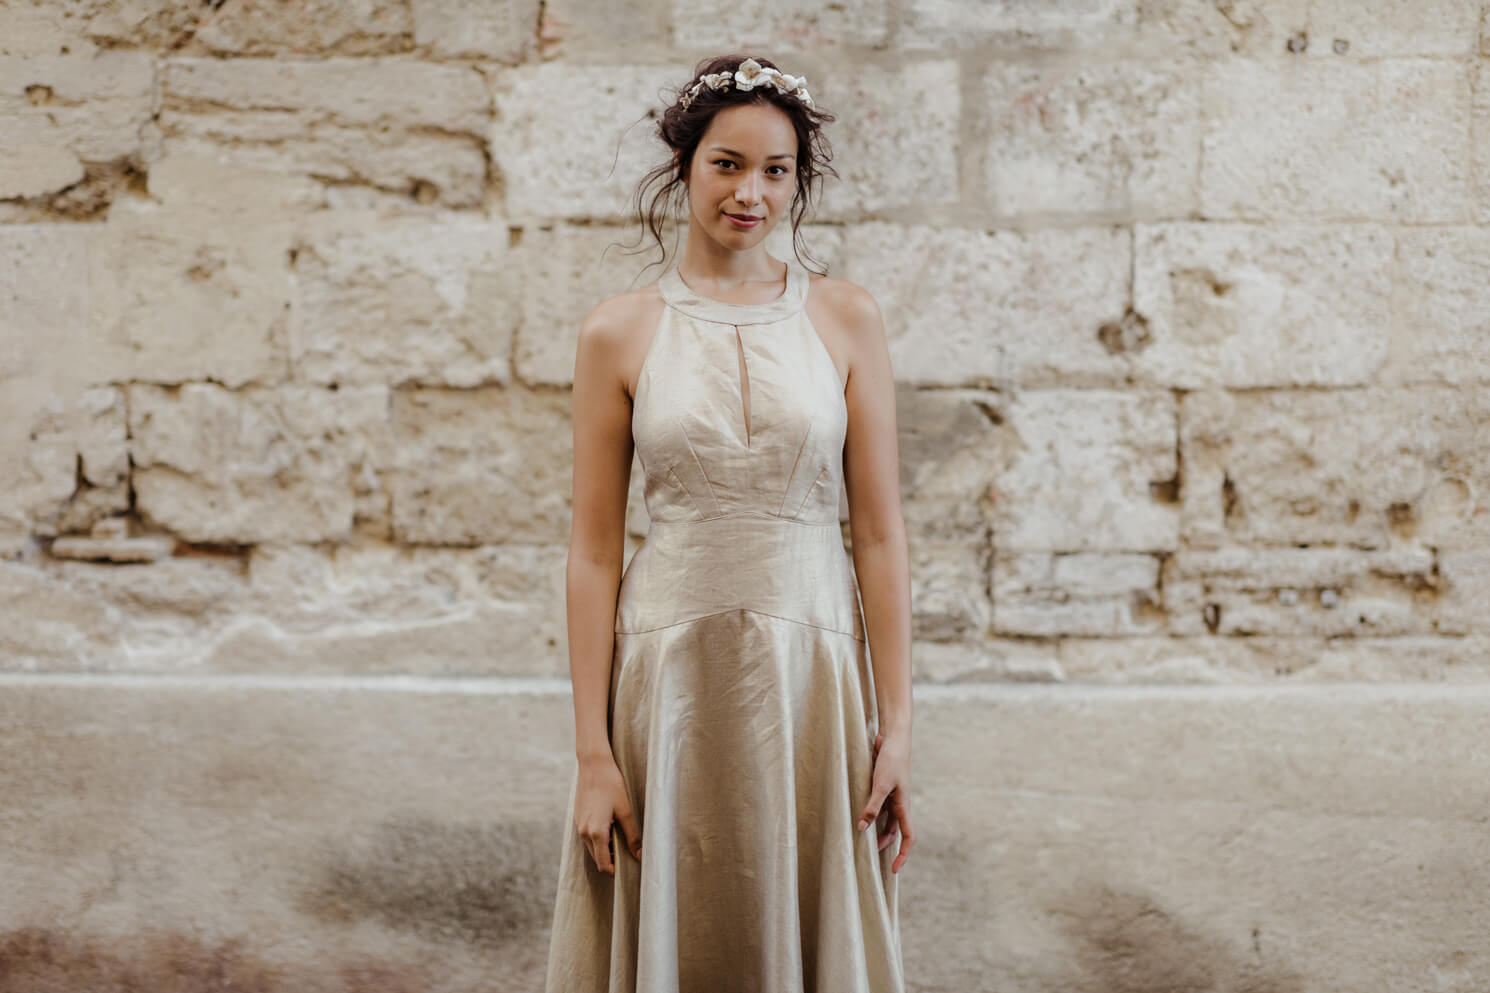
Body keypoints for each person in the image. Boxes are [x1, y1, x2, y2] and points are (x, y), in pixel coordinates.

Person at [544, 53, 914, 992]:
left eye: (776, 171)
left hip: (814, 676)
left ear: (798, 182)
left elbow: (878, 536)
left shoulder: (846, 318)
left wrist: (898, 725)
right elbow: (592, 553)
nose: (751, 193)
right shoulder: (617, 331)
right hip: (667, 681)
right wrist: (592, 752)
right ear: (684, 167)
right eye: (728, 164)